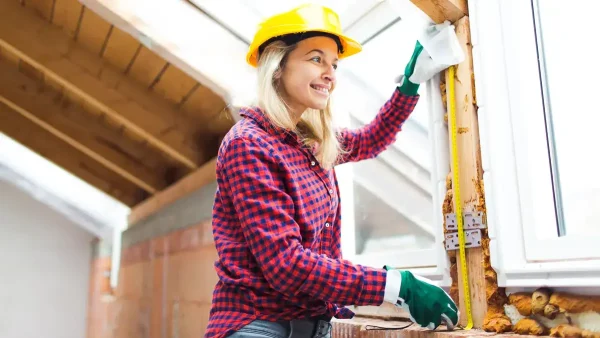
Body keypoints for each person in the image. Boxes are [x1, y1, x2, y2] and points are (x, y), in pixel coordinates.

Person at [206, 4, 459, 338]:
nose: (330, 74)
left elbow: (371, 139)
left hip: (315, 327)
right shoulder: (249, 145)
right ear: (277, 66)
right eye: (316, 59)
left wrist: (409, 85)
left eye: (334, 64)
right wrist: (396, 286)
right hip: (258, 326)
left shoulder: (308, 142)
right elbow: (287, 265)